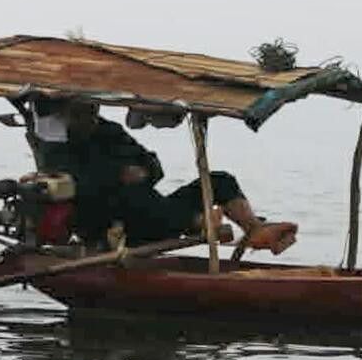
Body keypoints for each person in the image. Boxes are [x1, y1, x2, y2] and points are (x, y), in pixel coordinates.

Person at [35, 97, 297, 252]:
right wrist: (117, 177)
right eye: (80, 114)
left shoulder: (109, 132)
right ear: (66, 114)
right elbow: (77, 186)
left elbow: (152, 164)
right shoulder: (57, 147)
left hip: (154, 210)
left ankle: (254, 229)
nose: (90, 118)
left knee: (220, 181)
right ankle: (199, 221)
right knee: (129, 197)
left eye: (93, 111)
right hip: (114, 224)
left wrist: (143, 172)